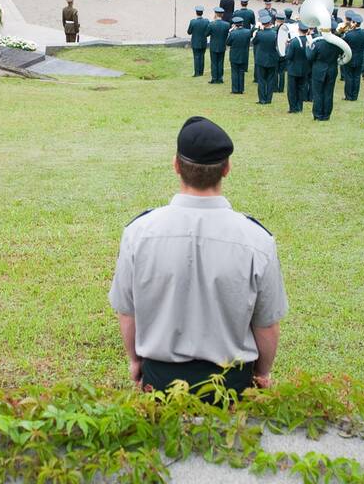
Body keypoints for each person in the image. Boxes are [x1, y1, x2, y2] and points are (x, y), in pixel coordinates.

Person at [109, 117, 287, 396]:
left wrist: (134, 361)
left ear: (176, 165)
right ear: (227, 169)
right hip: (231, 386)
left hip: (160, 382)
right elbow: (267, 325)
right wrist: (262, 373)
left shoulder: (139, 233)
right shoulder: (257, 240)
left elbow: (126, 311)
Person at [305, 27, 340, 122]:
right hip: (332, 70)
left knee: (318, 93)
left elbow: (310, 57)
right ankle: (326, 115)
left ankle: (318, 114)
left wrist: (308, 46)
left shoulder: (318, 44)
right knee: (328, 93)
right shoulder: (337, 43)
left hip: (319, 70)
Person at [340, 12, 364, 101]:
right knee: (357, 77)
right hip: (360, 58)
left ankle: (348, 96)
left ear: (353, 23)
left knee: (349, 77)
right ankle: (354, 96)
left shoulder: (348, 34)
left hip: (349, 58)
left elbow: (342, 43)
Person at [282, 22, 311, 113]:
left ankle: (293, 108)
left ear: (298, 30)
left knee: (292, 90)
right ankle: (299, 107)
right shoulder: (310, 40)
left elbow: (288, 56)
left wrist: (287, 47)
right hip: (305, 68)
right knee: (301, 88)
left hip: (293, 69)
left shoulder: (294, 42)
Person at [252, 12, 279, 104]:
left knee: (262, 80)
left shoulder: (259, 34)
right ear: (270, 23)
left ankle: (262, 99)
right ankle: (269, 99)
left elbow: (254, 42)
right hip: (272, 59)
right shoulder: (275, 34)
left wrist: (258, 30)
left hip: (261, 59)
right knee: (271, 80)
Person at [226, 16, 253, 95]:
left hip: (234, 55)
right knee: (241, 72)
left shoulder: (233, 33)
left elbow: (228, 43)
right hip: (244, 54)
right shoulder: (248, 32)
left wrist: (230, 31)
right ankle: (241, 89)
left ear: (235, 24)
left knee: (234, 72)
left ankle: (235, 89)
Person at [207, 7, 231, 84]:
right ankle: (220, 78)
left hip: (214, 45)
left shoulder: (211, 24)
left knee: (214, 62)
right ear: (222, 15)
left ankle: (214, 78)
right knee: (221, 62)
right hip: (222, 45)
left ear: (215, 14)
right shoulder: (227, 24)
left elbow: (206, 34)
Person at [187, 5, 209, 77]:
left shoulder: (193, 22)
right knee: (202, 57)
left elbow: (189, 32)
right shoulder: (206, 21)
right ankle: (201, 72)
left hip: (195, 42)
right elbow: (208, 32)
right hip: (203, 42)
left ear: (196, 13)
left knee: (196, 57)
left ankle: (197, 73)